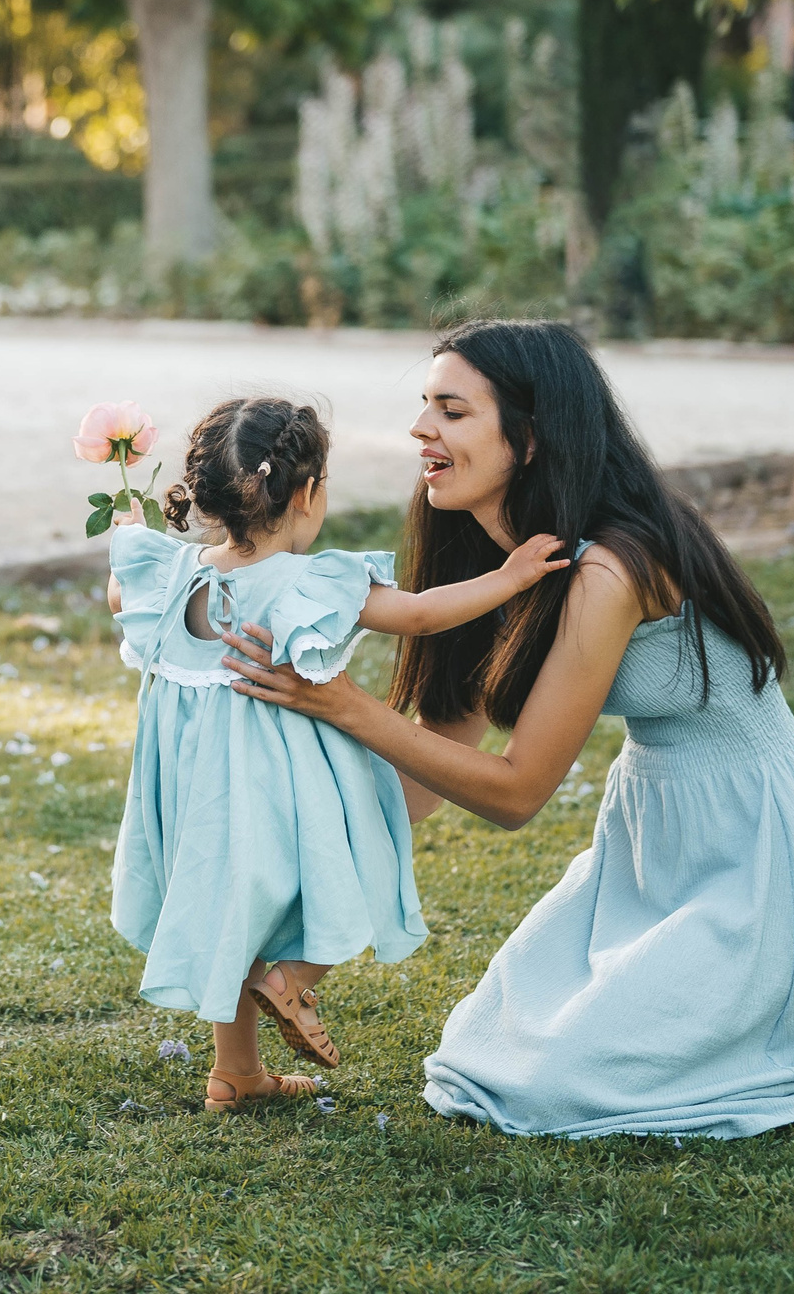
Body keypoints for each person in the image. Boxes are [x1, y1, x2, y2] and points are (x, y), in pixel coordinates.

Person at [219, 321, 794, 1138]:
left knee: (554, 1086)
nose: (421, 428)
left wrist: (344, 704)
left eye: (452, 411)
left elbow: (519, 790)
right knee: (479, 1059)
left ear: (528, 439)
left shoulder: (613, 566)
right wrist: (294, 832)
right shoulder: (479, 556)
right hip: (648, 840)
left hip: (758, 848)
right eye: (425, 405)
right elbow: (439, 753)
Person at [105, 397, 568, 1112]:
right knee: (354, 858)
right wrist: (509, 578)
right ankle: (292, 980)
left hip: (194, 798)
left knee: (234, 915)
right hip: (283, 789)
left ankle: (235, 1073)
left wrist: (125, 523)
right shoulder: (303, 581)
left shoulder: (168, 573)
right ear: (308, 492)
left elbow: (117, 592)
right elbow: (417, 612)